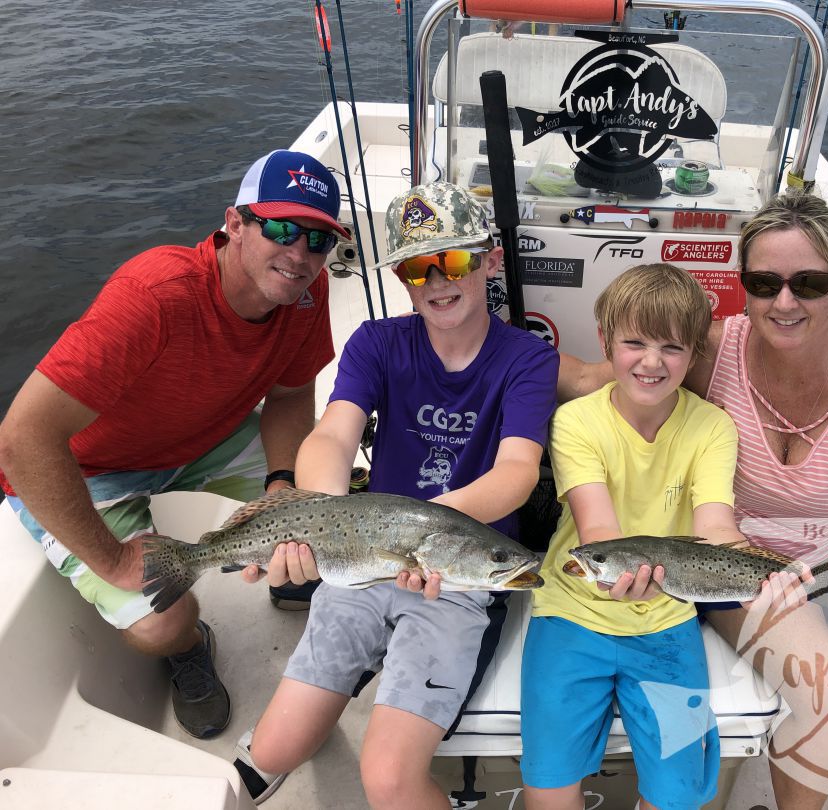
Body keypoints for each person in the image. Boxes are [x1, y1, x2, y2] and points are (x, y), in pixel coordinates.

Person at [559, 193, 828, 810]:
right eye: (765, 282)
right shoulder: (711, 352)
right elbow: (592, 378)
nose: (786, 301)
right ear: (744, 283)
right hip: (738, 568)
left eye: (810, 282)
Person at [231, 180, 559, 808]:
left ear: (489, 259)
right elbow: (331, 435)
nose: (437, 279)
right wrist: (319, 513)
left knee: (388, 779)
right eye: (417, 266)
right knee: (271, 752)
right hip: (359, 567)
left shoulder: (527, 360)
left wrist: (428, 534)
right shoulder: (377, 342)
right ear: (404, 279)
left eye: (455, 259)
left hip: (457, 580)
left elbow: (518, 471)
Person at [0, 149, 346, 739]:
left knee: (333, 494)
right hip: (90, 469)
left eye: (317, 241)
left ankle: (292, 574)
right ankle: (191, 646)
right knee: (163, 622)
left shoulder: (303, 297)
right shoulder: (155, 294)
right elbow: (22, 438)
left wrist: (284, 487)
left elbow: (289, 400)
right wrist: (112, 561)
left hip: (204, 438)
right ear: (234, 224)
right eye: (282, 230)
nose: (299, 255)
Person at [521, 264, 771, 810]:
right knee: (548, 785)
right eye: (634, 342)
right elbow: (599, 531)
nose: (652, 361)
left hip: (668, 618)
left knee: (677, 796)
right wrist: (623, 574)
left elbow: (715, 525)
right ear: (606, 342)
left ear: (694, 355)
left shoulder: (712, 427)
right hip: (569, 613)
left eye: (672, 347)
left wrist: (765, 574)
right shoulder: (576, 422)